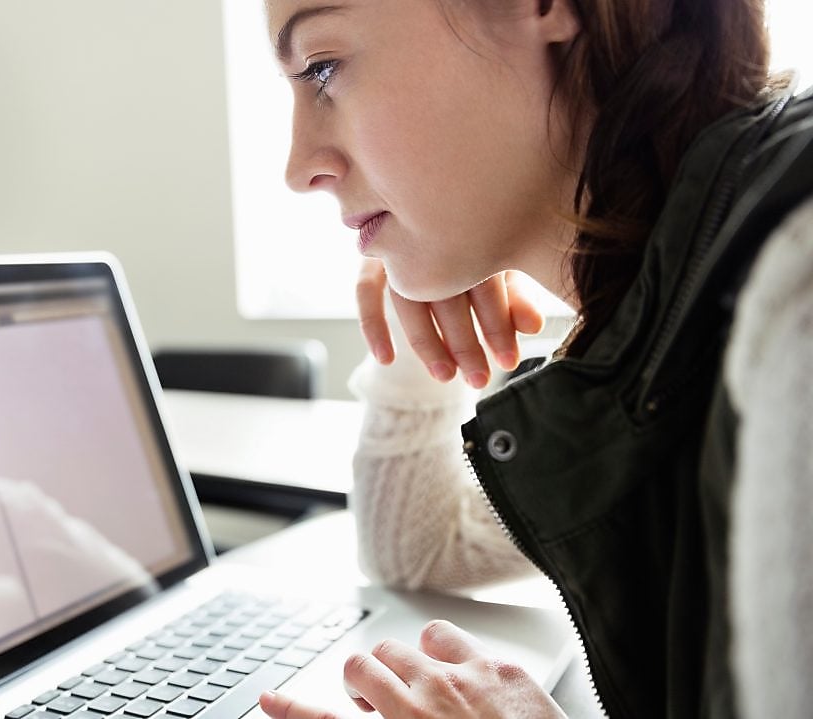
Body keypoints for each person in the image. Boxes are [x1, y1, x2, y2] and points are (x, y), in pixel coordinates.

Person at [255, 1, 813, 718]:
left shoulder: (795, 293)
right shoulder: (664, 294)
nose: (298, 168)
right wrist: (417, 314)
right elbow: (422, 552)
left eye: (324, 67)